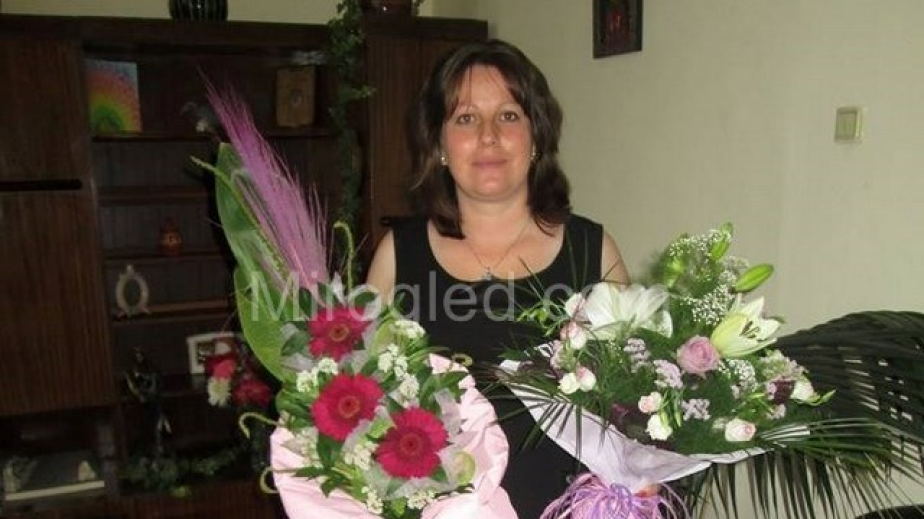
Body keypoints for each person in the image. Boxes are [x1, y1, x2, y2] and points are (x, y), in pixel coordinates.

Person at [365, 39, 629, 519]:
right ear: (439, 143)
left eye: (508, 115)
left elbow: (633, 411)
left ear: (536, 135)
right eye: (465, 118)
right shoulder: (398, 256)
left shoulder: (592, 252)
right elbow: (365, 405)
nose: (488, 136)